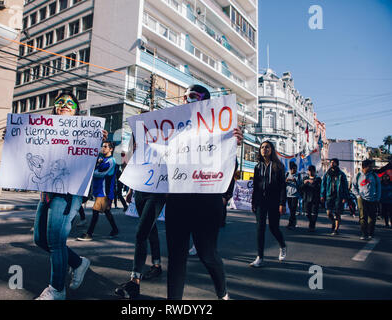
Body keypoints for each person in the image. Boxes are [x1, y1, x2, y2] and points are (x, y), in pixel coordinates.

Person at [164, 84, 243, 300]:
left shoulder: (220, 130)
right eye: (186, 97)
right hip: (178, 202)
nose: (187, 100)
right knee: (176, 258)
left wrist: (233, 145)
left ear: (206, 102)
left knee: (207, 255)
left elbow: (228, 169)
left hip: (207, 203)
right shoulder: (173, 130)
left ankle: (222, 293)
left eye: (193, 96)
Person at [33, 91, 107, 300]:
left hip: (68, 193)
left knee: (56, 242)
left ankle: (56, 290)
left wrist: (97, 142)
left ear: (76, 109)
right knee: (40, 239)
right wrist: (13, 136)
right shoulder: (44, 130)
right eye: (60, 102)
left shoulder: (85, 132)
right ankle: (78, 262)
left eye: (70, 103)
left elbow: (90, 163)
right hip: (47, 192)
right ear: (55, 107)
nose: (64, 105)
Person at [114, 188, 166, 299]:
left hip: (157, 192)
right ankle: (157, 265)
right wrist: (130, 190)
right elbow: (135, 169)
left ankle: (135, 281)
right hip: (140, 190)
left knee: (141, 233)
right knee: (150, 228)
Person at [250, 140, 287, 268]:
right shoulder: (257, 167)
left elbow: (283, 186)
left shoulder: (278, 166)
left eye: (267, 147)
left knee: (273, 227)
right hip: (260, 201)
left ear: (272, 150)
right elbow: (255, 186)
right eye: (262, 147)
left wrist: (282, 203)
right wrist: (253, 202)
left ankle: (282, 245)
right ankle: (260, 257)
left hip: (274, 201)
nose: (264, 149)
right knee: (260, 228)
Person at [77, 141, 119, 241]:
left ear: (111, 149)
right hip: (98, 190)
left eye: (105, 146)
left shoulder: (111, 161)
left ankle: (89, 234)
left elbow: (101, 174)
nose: (103, 148)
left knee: (95, 211)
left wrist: (91, 171)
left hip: (104, 191)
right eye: (102, 146)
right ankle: (115, 229)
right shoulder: (102, 160)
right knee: (107, 211)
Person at [352, 160, 381, 240]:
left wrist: (377, 198)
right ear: (365, 167)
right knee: (362, 217)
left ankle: (370, 232)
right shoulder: (357, 176)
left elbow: (378, 187)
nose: (371, 168)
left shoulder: (374, 176)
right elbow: (353, 187)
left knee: (372, 217)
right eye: (370, 166)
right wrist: (358, 196)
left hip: (373, 199)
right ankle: (364, 233)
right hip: (362, 199)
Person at [320, 158, 349, 236]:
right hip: (329, 195)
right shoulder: (327, 174)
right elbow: (323, 185)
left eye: (334, 163)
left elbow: (345, 186)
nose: (332, 164)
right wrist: (322, 195)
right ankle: (333, 221)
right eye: (331, 162)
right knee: (328, 213)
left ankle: (336, 229)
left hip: (339, 196)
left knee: (337, 213)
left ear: (337, 164)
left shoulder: (341, 174)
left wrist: (345, 197)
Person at [300, 165, 321, 232]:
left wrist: (313, 182)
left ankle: (312, 225)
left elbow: (319, 188)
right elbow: (301, 188)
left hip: (315, 198)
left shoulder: (318, 179)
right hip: (306, 197)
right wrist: (304, 183)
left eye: (312, 171)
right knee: (307, 213)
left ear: (314, 171)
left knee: (314, 213)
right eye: (309, 171)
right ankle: (311, 222)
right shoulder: (305, 178)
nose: (310, 172)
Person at [286, 161, 302, 230]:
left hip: (295, 195)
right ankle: (293, 222)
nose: (294, 170)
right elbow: (283, 183)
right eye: (293, 169)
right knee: (291, 209)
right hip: (288, 194)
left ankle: (290, 223)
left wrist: (295, 181)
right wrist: (286, 180)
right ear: (291, 169)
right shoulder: (287, 174)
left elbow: (300, 184)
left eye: (295, 169)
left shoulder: (298, 175)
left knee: (293, 209)